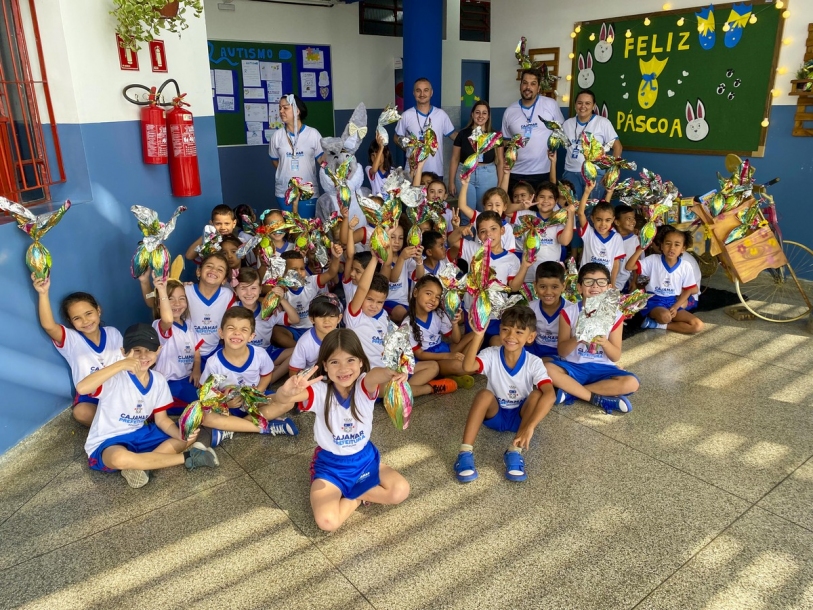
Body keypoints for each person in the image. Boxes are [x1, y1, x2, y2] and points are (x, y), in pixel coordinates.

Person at [271, 329, 410, 532]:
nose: (343, 368)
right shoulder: (318, 391)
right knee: (327, 523)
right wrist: (285, 392)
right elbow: (282, 400)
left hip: (364, 460)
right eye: (335, 362)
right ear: (325, 366)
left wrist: (391, 372)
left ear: (361, 362)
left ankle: (353, 492)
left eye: (351, 360)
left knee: (400, 491)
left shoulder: (364, 386)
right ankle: (357, 497)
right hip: (330, 467)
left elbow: (375, 375)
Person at [80, 323, 219, 489]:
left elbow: (162, 420)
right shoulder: (115, 377)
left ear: (158, 350)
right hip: (108, 441)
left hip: (140, 434)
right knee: (119, 459)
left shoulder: (158, 380)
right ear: (124, 352)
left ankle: (141, 466)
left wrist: (180, 435)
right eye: (136, 350)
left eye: (149, 350)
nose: (143, 356)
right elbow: (82, 388)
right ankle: (190, 457)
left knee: (187, 435)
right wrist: (121, 364)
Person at [455, 306, 555, 483]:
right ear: (499, 330)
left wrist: (531, 426)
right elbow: (467, 367)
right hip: (495, 414)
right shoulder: (491, 354)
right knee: (483, 394)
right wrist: (478, 336)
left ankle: (514, 451)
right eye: (506, 330)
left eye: (519, 332)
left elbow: (550, 395)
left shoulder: (534, 362)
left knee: (536, 395)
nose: (511, 336)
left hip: (520, 419)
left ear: (530, 337)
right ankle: (465, 452)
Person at [344, 242, 454, 397]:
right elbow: (362, 288)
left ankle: (402, 390)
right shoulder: (354, 316)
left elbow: (394, 346)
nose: (374, 306)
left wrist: (401, 368)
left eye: (380, 302)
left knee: (433, 366)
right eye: (369, 300)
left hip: (392, 370)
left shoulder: (383, 316)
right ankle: (428, 389)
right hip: (372, 378)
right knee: (384, 389)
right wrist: (375, 258)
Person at [544, 263, 640, 413]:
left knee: (631, 383)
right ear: (580, 287)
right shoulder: (568, 313)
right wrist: (578, 338)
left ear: (608, 287)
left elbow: (615, 356)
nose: (595, 286)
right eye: (589, 281)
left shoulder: (616, 316)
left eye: (601, 282)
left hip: (602, 369)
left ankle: (571, 393)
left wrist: (605, 343)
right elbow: (562, 352)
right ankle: (595, 397)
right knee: (548, 369)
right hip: (574, 367)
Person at [32, 276, 123, 426]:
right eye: (77, 318)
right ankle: (118, 424)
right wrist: (43, 293)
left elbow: (124, 365)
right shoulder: (71, 340)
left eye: (89, 313)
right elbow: (49, 326)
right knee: (81, 412)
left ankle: (120, 420)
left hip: (117, 391)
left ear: (98, 310)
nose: (85, 321)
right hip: (90, 397)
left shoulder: (112, 333)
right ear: (71, 322)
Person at [200, 307, 299, 439]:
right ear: (221, 333)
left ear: (251, 336)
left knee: (288, 402)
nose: (236, 333)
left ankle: (232, 427)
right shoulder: (213, 363)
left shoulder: (260, 354)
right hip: (230, 408)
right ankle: (265, 427)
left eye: (244, 330)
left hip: (255, 402)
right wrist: (224, 403)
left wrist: (257, 392)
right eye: (231, 328)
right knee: (206, 418)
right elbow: (206, 394)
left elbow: (266, 375)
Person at [448, 210, 521, 347]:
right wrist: (460, 230)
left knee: (495, 346)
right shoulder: (472, 248)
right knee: (474, 346)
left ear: (502, 230)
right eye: (483, 231)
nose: (488, 234)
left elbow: (514, 287)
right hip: (472, 313)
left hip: (496, 316)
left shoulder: (512, 259)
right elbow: (452, 240)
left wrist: (526, 266)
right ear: (478, 235)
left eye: (493, 229)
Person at [625, 226, 704, 334]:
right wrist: (641, 248)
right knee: (665, 316)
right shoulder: (653, 260)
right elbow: (629, 267)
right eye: (668, 243)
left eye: (677, 245)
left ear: (683, 248)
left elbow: (689, 290)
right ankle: (660, 320)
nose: (672, 248)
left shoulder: (686, 266)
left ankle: (657, 325)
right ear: (661, 245)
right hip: (654, 300)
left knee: (698, 326)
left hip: (673, 301)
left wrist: (676, 307)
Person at [403, 275, 475, 385]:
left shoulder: (438, 313)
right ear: (415, 293)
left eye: (437, 297)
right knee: (460, 366)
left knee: (475, 336)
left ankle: (458, 368)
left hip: (444, 349)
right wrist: (449, 356)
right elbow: (420, 354)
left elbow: (456, 340)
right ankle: (457, 369)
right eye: (428, 293)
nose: (433, 299)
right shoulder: (407, 325)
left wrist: (454, 324)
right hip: (431, 360)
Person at [501, 68, 565, 193]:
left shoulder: (550, 105)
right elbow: (505, 141)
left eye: (533, 84)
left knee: (542, 211)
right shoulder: (510, 111)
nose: (528, 87)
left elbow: (561, 131)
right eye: (524, 83)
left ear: (539, 87)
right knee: (516, 211)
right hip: (516, 173)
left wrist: (553, 146)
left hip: (542, 172)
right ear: (520, 86)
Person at [232, 267, 299, 383]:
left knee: (297, 351)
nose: (249, 293)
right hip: (241, 355)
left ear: (260, 289)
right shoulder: (232, 309)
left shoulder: (268, 310)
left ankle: (270, 378)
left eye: (253, 288)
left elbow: (295, 319)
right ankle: (266, 375)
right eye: (243, 288)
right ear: (235, 291)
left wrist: (281, 299)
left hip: (266, 353)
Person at [271, 246, 342, 348]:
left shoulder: (311, 282)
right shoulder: (281, 288)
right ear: (283, 271)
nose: (299, 272)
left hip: (314, 327)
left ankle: (308, 348)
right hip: (292, 329)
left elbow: (331, 273)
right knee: (276, 333)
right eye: (294, 269)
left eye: (302, 268)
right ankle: (299, 349)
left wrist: (336, 257)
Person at [151, 274, 202, 412]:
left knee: (210, 394)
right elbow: (167, 319)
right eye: (170, 299)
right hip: (168, 382)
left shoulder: (190, 325)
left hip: (185, 378)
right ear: (160, 303)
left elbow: (196, 351)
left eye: (181, 299)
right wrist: (162, 290)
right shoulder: (159, 325)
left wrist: (196, 369)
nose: (177, 303)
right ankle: (160, 406)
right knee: (201, 404)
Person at [508, 181, 576, 286]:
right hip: (528, 274)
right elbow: (505, 211)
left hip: (551, 275)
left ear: (556, 200)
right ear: (535, 198)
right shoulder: (526, 215)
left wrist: (570, 215)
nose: (545, 201)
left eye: (550, 197)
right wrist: (521, 206)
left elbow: (565, 241)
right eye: (542, 197)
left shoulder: (559, 219)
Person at [269, 94, 323, 218]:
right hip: (283, 191)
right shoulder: (277, 136)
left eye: (285, 108)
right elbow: (275, 161)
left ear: (297, 111)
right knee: (290, 230)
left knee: (306, 229)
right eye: (280, 108)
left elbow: (321, 160)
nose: (281, 111)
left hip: (309, 192)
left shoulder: (313, 134)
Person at [561, 90, 622, 201]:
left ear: (593, 106)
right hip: (571, 173)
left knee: (592, 211)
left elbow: (617, 147)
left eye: (587, 103)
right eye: (580, 103)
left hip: (595, 174)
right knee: (572, 207)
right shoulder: (567, 124)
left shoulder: (603, 123)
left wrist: (611, 172)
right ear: (575, 105)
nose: (583, 106)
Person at [395, 78, 456, 181]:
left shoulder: (441, 115)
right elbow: (396, 138)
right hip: (412, 171)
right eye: (418, 90)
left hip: (435, 171)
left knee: (434, 197)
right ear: (414, 93)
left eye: (426, 90)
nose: (422, 94)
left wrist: (472, 141)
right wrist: (410, 149)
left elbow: (454, 135)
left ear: (431, 93)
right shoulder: (406, 115)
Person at [449, 100, 504, 213]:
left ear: (488, 116)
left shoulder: (495, 136)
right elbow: (454, 159)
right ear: (472, 114)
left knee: (486, 212)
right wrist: (451, 182)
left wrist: (500, 183)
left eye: (484, 113)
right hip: (466, 173)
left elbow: (501, 161)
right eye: (477, 112)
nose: (480, 116)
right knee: (466, 213)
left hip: (488, 174)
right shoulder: (463, 134)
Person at [523, 262, 579, 360]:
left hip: (558, 354)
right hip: (533, 350)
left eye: (554, 287)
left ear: (563, 286)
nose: (548, 292)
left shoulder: (571, 310)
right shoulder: (530, 307)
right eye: (543, 287)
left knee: (545, 364)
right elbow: (527, 340)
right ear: (535, 286)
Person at [577, 182, 624, 286]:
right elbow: (580, 213)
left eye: (607, 220)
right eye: (599, 220)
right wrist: (587, 192)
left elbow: (616, 264)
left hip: (604, 284)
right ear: (592, 219)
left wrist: (612, 284)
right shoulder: (588, 233)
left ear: (613, 220)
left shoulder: (617, 238)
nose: (603, 224)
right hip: (586, 281)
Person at [455, 179, 516, 252]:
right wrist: (465, 184)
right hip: (477, 261)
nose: (493, 208)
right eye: (489, 205)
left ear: (505, 207)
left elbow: (510, 253)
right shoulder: (479, 217)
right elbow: (462, 206)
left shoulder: (507, 228)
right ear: (484, 206)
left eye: (498, 205)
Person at [289, 295, 342, 375]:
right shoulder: (304, 342)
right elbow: (293, 372)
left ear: (339, 318)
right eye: (321, 317)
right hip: (313, 380)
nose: (327, 321)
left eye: (331, 316)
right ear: (311, 319)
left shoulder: (343, 338)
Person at [387, 219, 424, 324]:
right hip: (387, 301)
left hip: (405, 302)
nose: (396, 242)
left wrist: (418, 260)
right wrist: (402, 258)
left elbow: (420, 277)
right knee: (403, 313)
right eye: (392, 237)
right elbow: (393, 278)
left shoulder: (406, 257)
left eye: (401, 238)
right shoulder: (382, 258)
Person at [613, 204, 640, 291]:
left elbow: (637, 262)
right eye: (629, 218)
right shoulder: (611, 236)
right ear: (617, 222)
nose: (633, 221)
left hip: (624, 282)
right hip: (607, 281)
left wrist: (634, 281)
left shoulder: (635, 240)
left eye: (633, 218)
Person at [367, 130, 392, 195]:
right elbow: (374, 170)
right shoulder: (369, 169)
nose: (375, 158)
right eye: (373, 155)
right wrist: (381, 148)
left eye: (378, 153)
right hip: (376, 204)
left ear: (386, 153)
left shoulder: (393, 171)